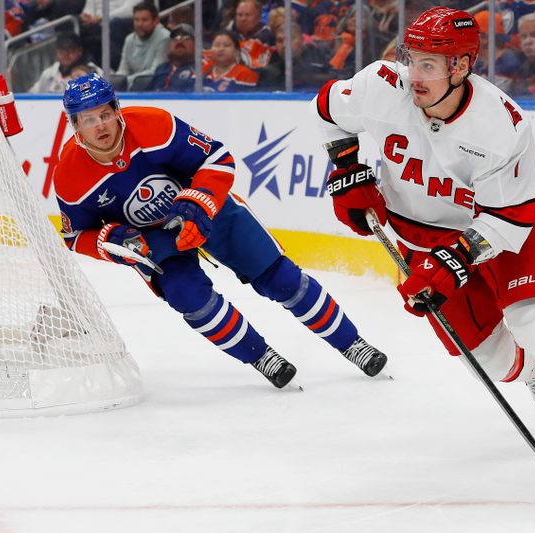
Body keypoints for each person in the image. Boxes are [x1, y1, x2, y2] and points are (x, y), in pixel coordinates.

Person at [311, 6, 535, 453]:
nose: (414, 74)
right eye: (411, 59)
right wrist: (347, 170)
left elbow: (509, 220)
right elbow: (326, 109)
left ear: (461, 66)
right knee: (486, 357)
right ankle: (534, 374)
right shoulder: (380, 85)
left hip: (497, 228)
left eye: (428, 65)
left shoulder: (501, 125)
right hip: (417, 235)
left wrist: (455, 258)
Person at [54, 73, 388, 389]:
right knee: (189, 297)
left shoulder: (155, 125)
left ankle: (352, 343)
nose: (100, 126)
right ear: (76, 125)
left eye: (104, 114)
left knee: (280, 277)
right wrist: (111, 240)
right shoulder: (69, 176)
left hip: (206, 208)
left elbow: (217, 157)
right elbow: (74, 236)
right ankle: (262, 357)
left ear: (116, 111)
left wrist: (199, 202)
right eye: (89, 119)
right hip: (151, 239)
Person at [116, 1, 170, 88]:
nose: (139, 24)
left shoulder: (165, 38)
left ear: (156, 21)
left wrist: (125, 81)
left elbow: (155, 72)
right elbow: (123, 70)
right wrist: (117, 81)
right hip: (132, 86)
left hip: (154, 89)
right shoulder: (129, 39)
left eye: (144, 20)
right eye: (136, 20)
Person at [29, 32, 103, 93]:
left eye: (71, 50)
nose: (66, 54)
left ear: (79, 51)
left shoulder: (92, 71)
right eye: (62, 50)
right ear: (56, 51)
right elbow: (32, 95)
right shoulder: (50, 73)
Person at [146, 23, 196, 92]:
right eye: (176, 38)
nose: (180, 41)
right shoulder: (161, 68)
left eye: (186, 37)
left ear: (195, 44)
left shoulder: (200, 69)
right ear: (169, 44)